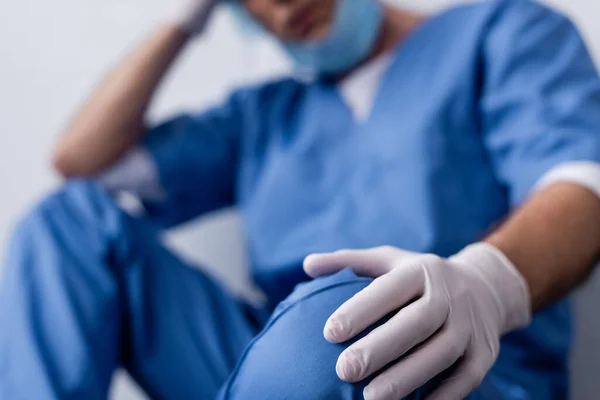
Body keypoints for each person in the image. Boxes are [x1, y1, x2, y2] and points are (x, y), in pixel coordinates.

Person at [1, 0, 600, 398]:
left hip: (459, 370)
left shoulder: (503, 32)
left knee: (340, 317)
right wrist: (183, 19)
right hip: (263, 362)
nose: (283, 9)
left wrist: (487, 283)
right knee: (66, 221)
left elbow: (582, 187)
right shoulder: (263, 114)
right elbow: (84, 163)